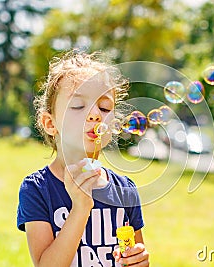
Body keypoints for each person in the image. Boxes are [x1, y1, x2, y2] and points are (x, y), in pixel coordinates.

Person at [17, 50, 150, 267]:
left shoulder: (124, 190)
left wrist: (139, 261)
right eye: (79, 105)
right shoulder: (37, 189)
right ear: (51, 124)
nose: (95, 114)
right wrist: (80, 208)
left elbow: (133, 257)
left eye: (105, 107)